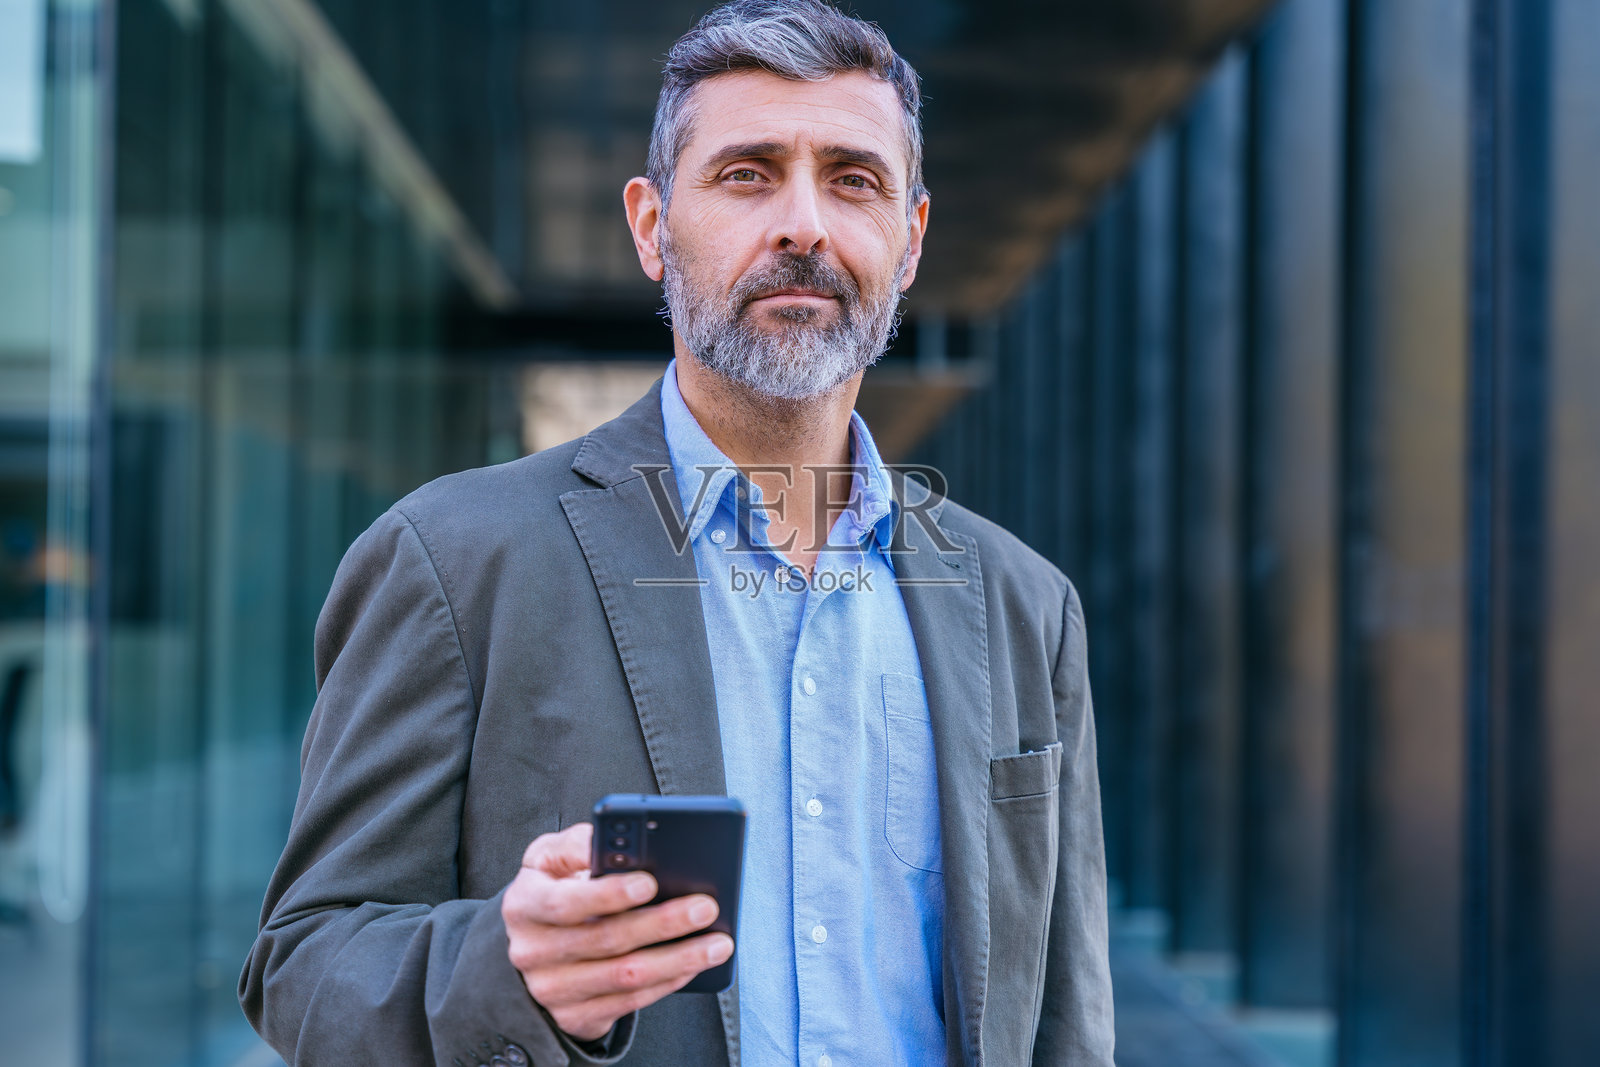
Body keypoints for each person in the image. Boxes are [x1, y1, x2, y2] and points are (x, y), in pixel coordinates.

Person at [240, 2, 1113, 1064]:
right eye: (746, 173)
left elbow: (1065, 1013)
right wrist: (510, 968)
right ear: (652, 227)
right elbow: (302, 964)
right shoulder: (454, 561)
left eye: (852, 178)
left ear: (911, 240)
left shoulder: (1025, 605)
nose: (802, 224)